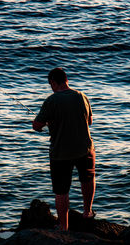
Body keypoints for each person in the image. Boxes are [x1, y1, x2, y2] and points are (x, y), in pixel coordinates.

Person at [32, 67, 96, 231]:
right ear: (66, 79)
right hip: (85, 148)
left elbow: (36, 126)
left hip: (61, 152)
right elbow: (89, 121)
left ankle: (63, 226)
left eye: (50, 84)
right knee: (88, 179)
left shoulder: (52, 100)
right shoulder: (82, 96)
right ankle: (87, 212)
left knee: (61, 190)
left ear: (53, 82)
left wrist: (46, 124)